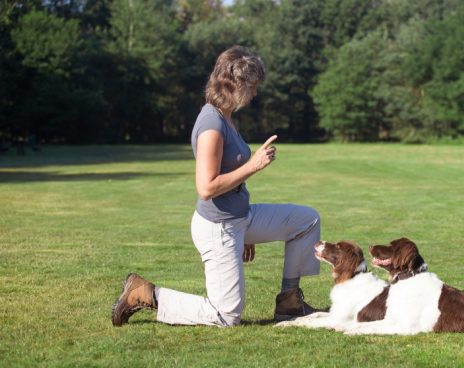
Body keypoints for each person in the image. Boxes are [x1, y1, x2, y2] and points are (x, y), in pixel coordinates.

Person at [112, 45, 321, 327]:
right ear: (237, 84)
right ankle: (145, 293)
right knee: (226, 315)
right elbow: (207, 187)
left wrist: (247, 232)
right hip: (218, 227)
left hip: (241, 218)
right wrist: (254, 165)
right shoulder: (211, 122)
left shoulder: (226, 117)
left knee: (306, 221)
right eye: (253, 86)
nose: (256, 93)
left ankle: (290, 302)